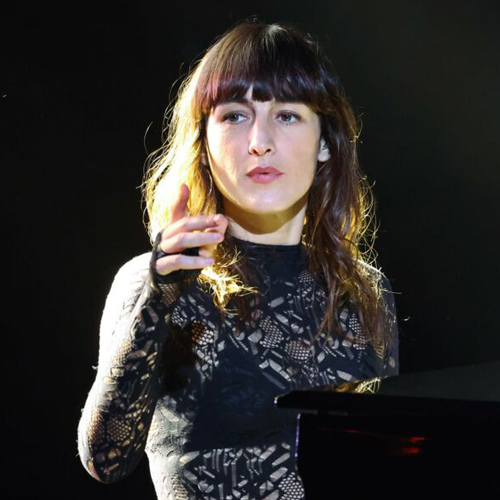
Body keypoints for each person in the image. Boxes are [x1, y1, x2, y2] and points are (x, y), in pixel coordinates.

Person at [77, 18, 399, 499]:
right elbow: (106, 459)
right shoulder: (157, 282)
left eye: (286, 115)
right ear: (204, 143)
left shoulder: (365, 292)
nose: (259, 142)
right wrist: (158, 299)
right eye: (234, 116)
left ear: (325, 143)